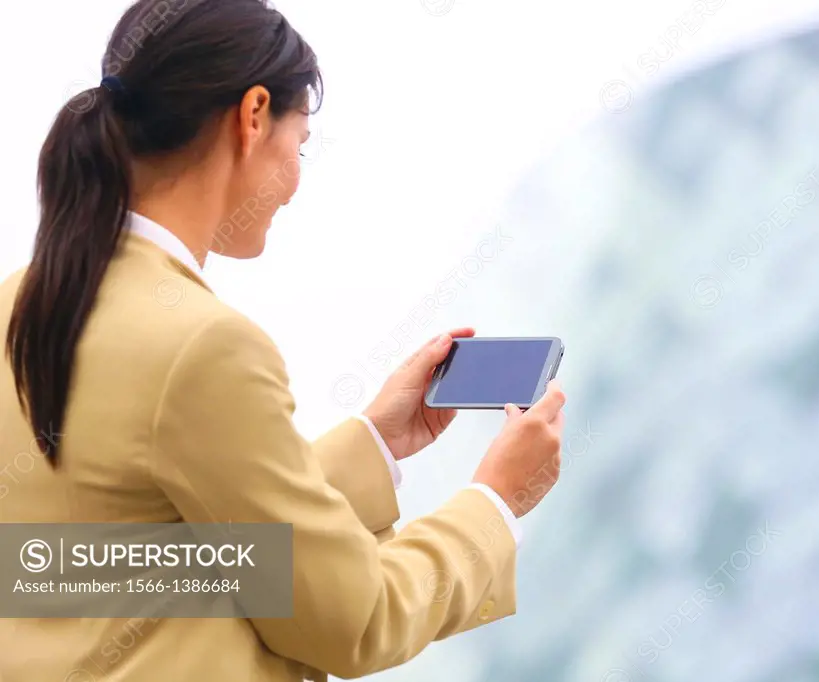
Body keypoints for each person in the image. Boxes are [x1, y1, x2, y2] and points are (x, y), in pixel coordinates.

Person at [0, 1, 566, 680]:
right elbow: (358, 621)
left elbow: (137, 562)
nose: (295, 185)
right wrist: (496, 502)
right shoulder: (202, 347)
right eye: (299, 145)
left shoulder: (20, 302)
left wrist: (376, 442)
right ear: (253, 114)